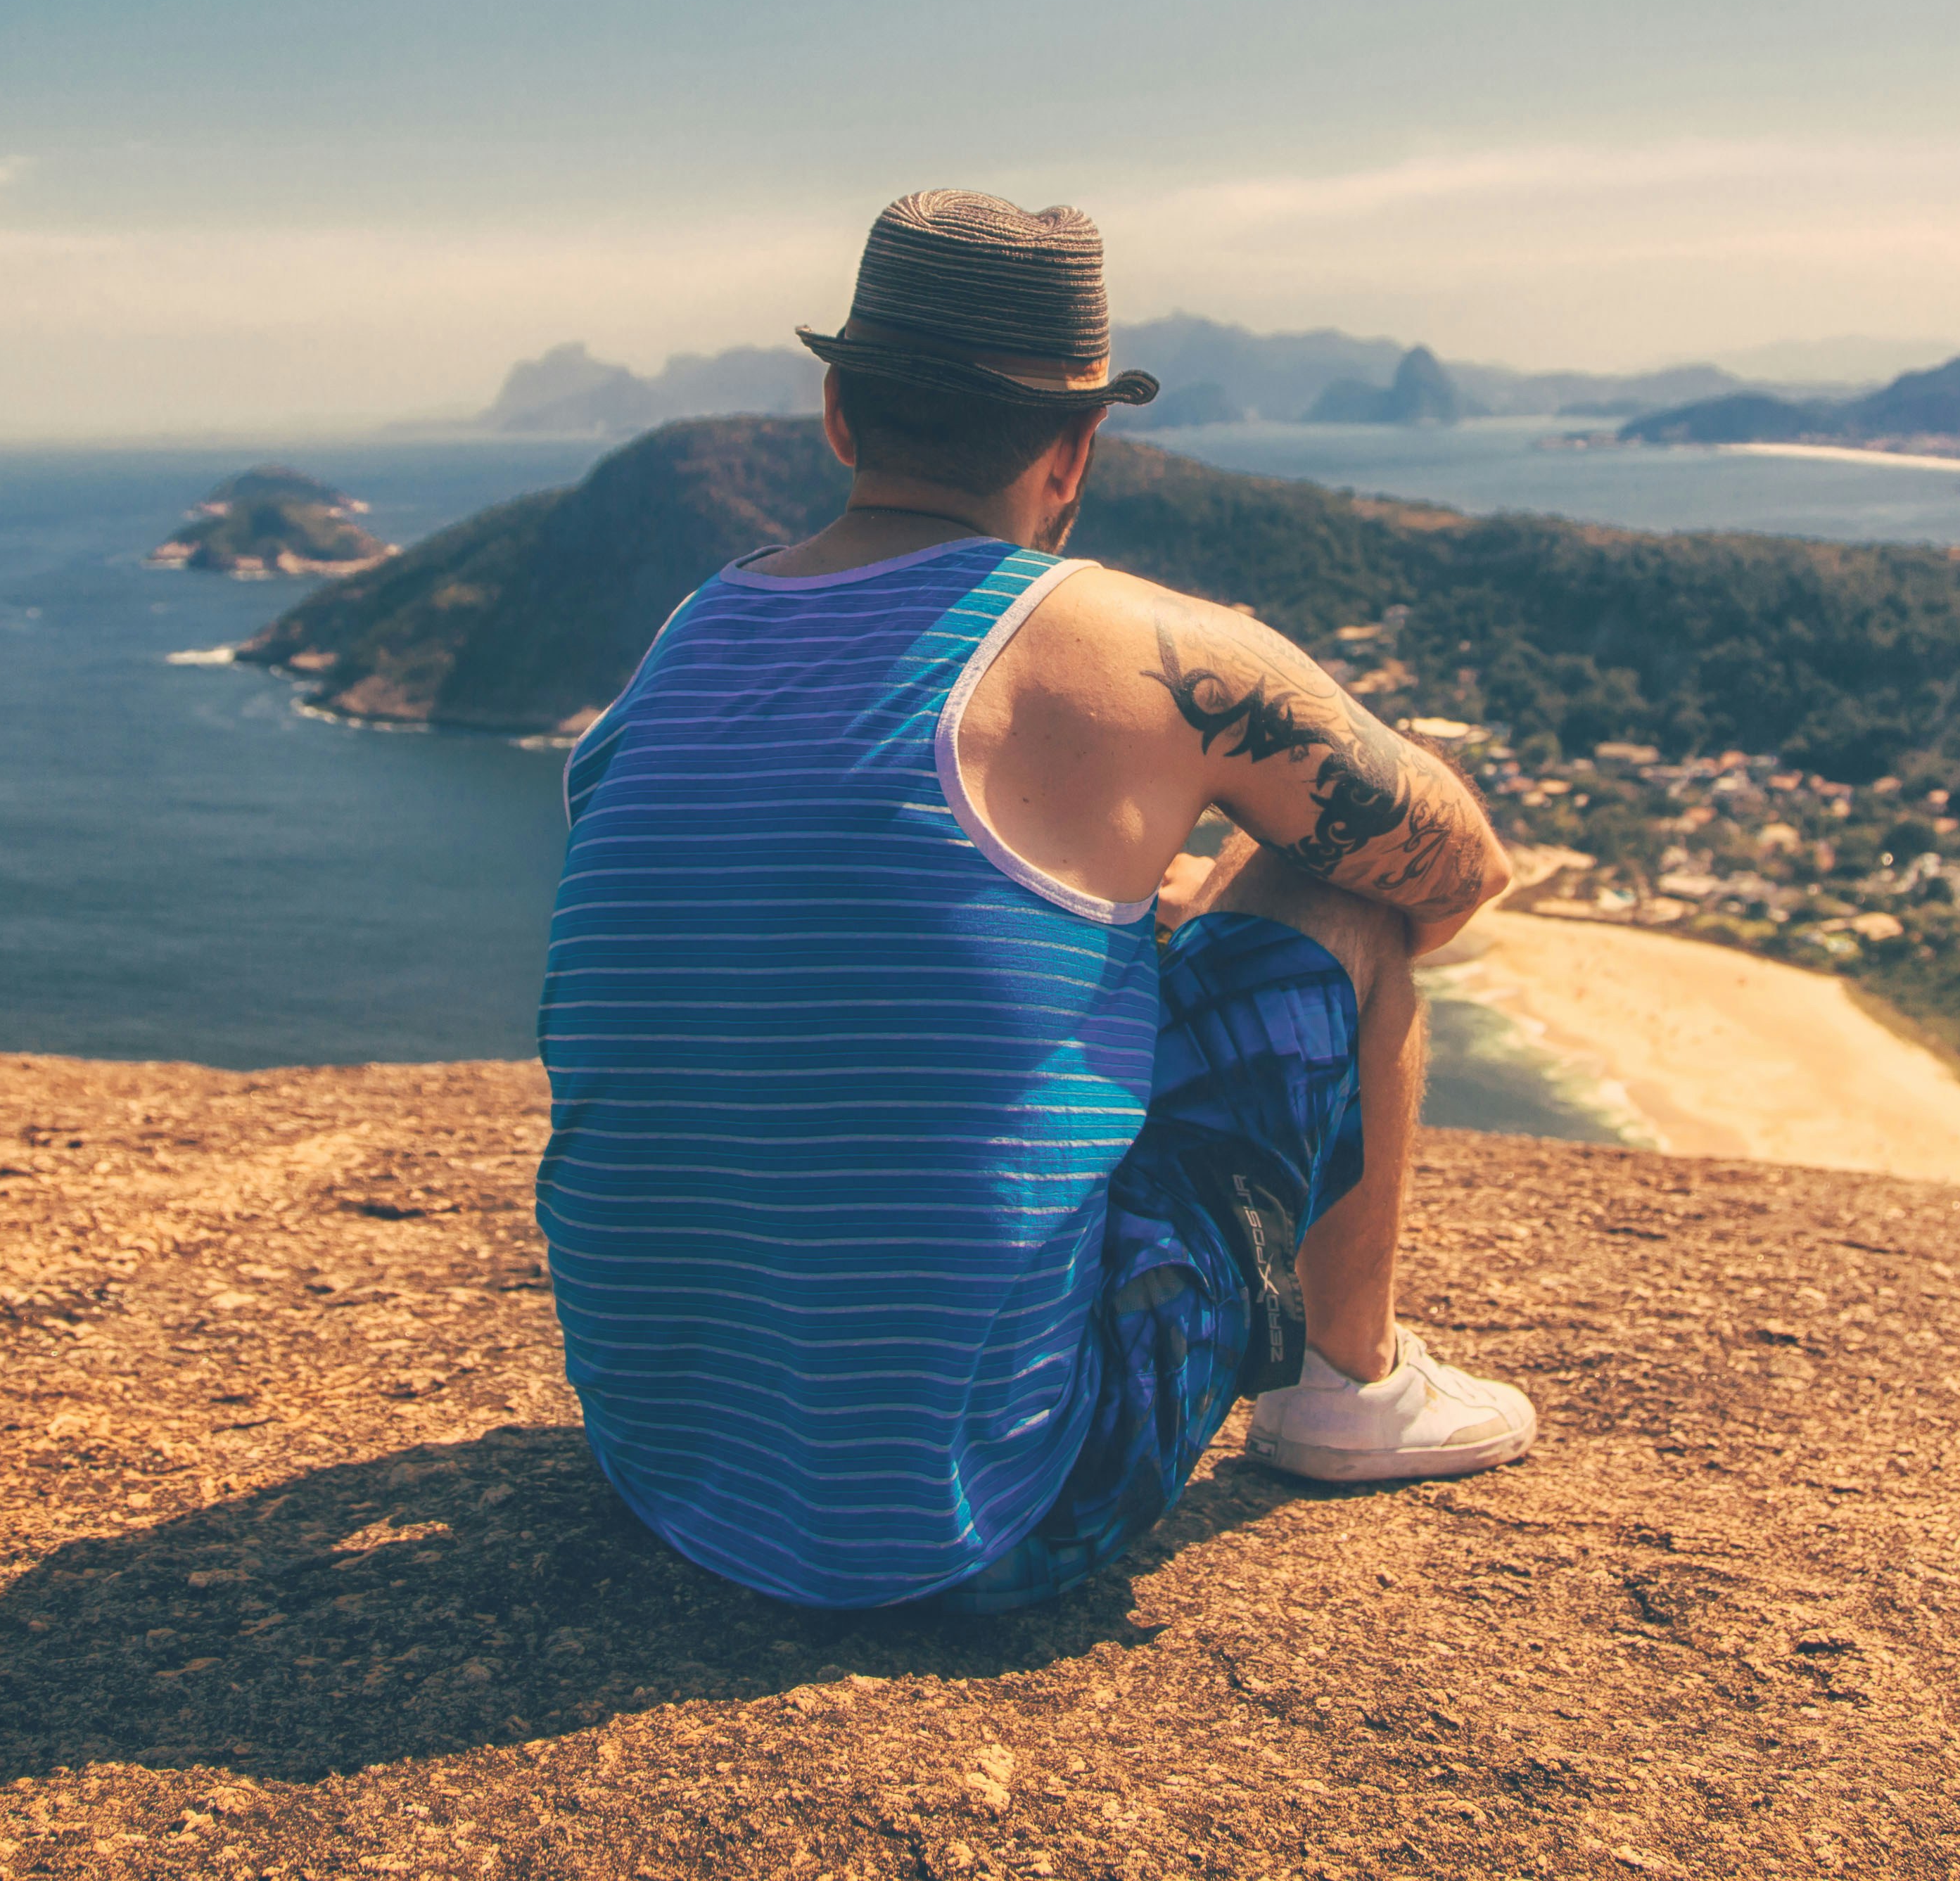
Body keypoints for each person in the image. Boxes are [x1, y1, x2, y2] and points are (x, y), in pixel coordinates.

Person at [536, 188, 1536, 1611]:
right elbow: (1454, 868)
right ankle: (1347, 1391)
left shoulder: (687, 640)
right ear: (1076, 449)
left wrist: (1109, 915)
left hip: (671, 1472)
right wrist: (1207, 896)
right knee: (1347, 905)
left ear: (838, 413)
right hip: (996, 1524)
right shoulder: (1135, 646)